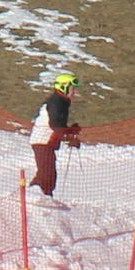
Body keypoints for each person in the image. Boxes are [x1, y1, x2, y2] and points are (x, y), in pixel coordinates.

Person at [29, 72, 81, 201]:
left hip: (47, 142)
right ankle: (36, 197)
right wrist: (69, 137)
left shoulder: (62, 102)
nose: (74, 92)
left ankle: (39, 196)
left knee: (47, 172)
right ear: (64, 87)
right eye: (72, 88)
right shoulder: (56, 102)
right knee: (47, 173)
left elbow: (59, 126)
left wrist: (69, 131)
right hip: (42, 140)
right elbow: (56, 126)